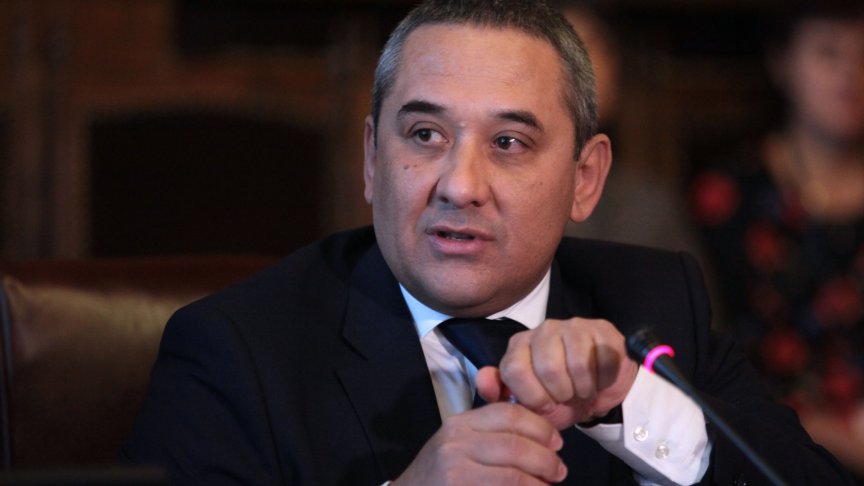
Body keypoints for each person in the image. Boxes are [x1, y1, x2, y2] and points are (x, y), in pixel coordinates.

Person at [122, 1, 851, 484]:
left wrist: (630, 406)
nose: (460, 185)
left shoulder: (656, 308)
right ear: (371, 159)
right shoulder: (235, 350)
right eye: (425, 135)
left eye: (508, 142)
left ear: (585, 179)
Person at [688, 1, 864, 478]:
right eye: (829, 52)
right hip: (764, 443)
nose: (851, 73)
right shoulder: (727, 196)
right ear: (783, 61)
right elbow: (709, 347)